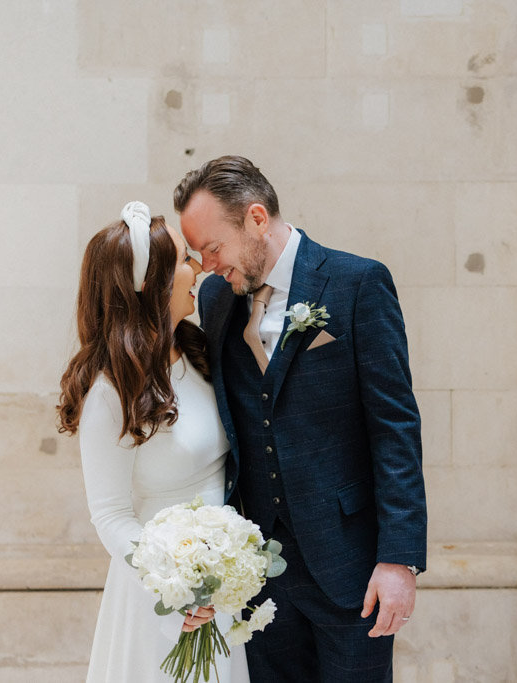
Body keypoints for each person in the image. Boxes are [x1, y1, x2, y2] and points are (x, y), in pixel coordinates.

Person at [173, 156, 427, 682]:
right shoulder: (218, 298)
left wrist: (399, 559)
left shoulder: (358, 283)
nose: (206, 265)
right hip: (258, 573)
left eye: (213, 247)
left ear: (257, 218)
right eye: (196, 254)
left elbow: (395, 427)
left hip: (351, 568)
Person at [57, 202, 249, 682]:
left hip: (219, 583)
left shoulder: (200, 351)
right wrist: (178, 585)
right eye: (186, 261)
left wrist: (217, 576)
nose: (200, 267)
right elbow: (111, 514)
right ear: (155, 287)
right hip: (162, 596)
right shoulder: (111, 391)